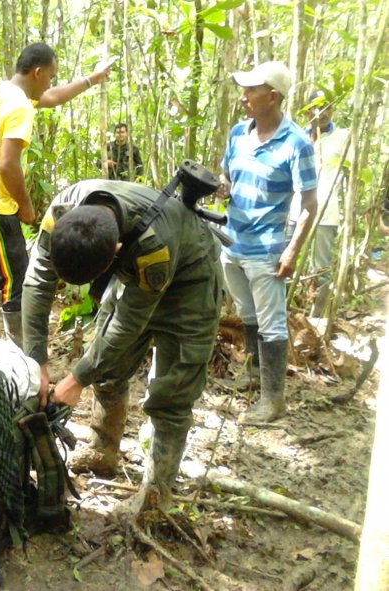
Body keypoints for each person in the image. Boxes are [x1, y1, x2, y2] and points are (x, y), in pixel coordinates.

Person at [21, 177, 224, 513]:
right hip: (135, 273)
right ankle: (103, 447)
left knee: (172, 394)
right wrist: (36, 361)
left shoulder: (152, 245)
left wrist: (76, 380)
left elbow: (129, 324)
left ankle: (155, 498)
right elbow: (36, 281)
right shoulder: (63, 210)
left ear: (115, 253)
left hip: (191, 279)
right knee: (107, 367)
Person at [0, 43, 112, 346]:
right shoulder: (19, 107)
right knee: (17, 283)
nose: (51, 83)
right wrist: (25, 205)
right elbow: (6, 164)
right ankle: (23, 357)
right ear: (38, 72)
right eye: (51, 76)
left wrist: (91, 79)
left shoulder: (2, 91)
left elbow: (50, 98)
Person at [219, 61, 317, 423]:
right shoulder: (238, 134)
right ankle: (254, 374)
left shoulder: (296, 143)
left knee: (272, 323)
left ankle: (273, 400)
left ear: (272, 96)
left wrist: (292, 249)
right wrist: (222, 185)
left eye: (251, 90)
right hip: (232, 242)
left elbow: (308, 203)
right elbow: (226, 175)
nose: (243, 97)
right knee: (248, 314)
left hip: (267, 248)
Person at [287, 89, 350, 317]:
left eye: (327, 107)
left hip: (327, 212)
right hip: (295, 210)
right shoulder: (297, 137)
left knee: (321, 269)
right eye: (317, 107)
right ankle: (285, 314)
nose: (322, 112)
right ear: (307, 111)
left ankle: (316, 321)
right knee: (284, 260)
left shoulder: (344, 137)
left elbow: (351, 174)